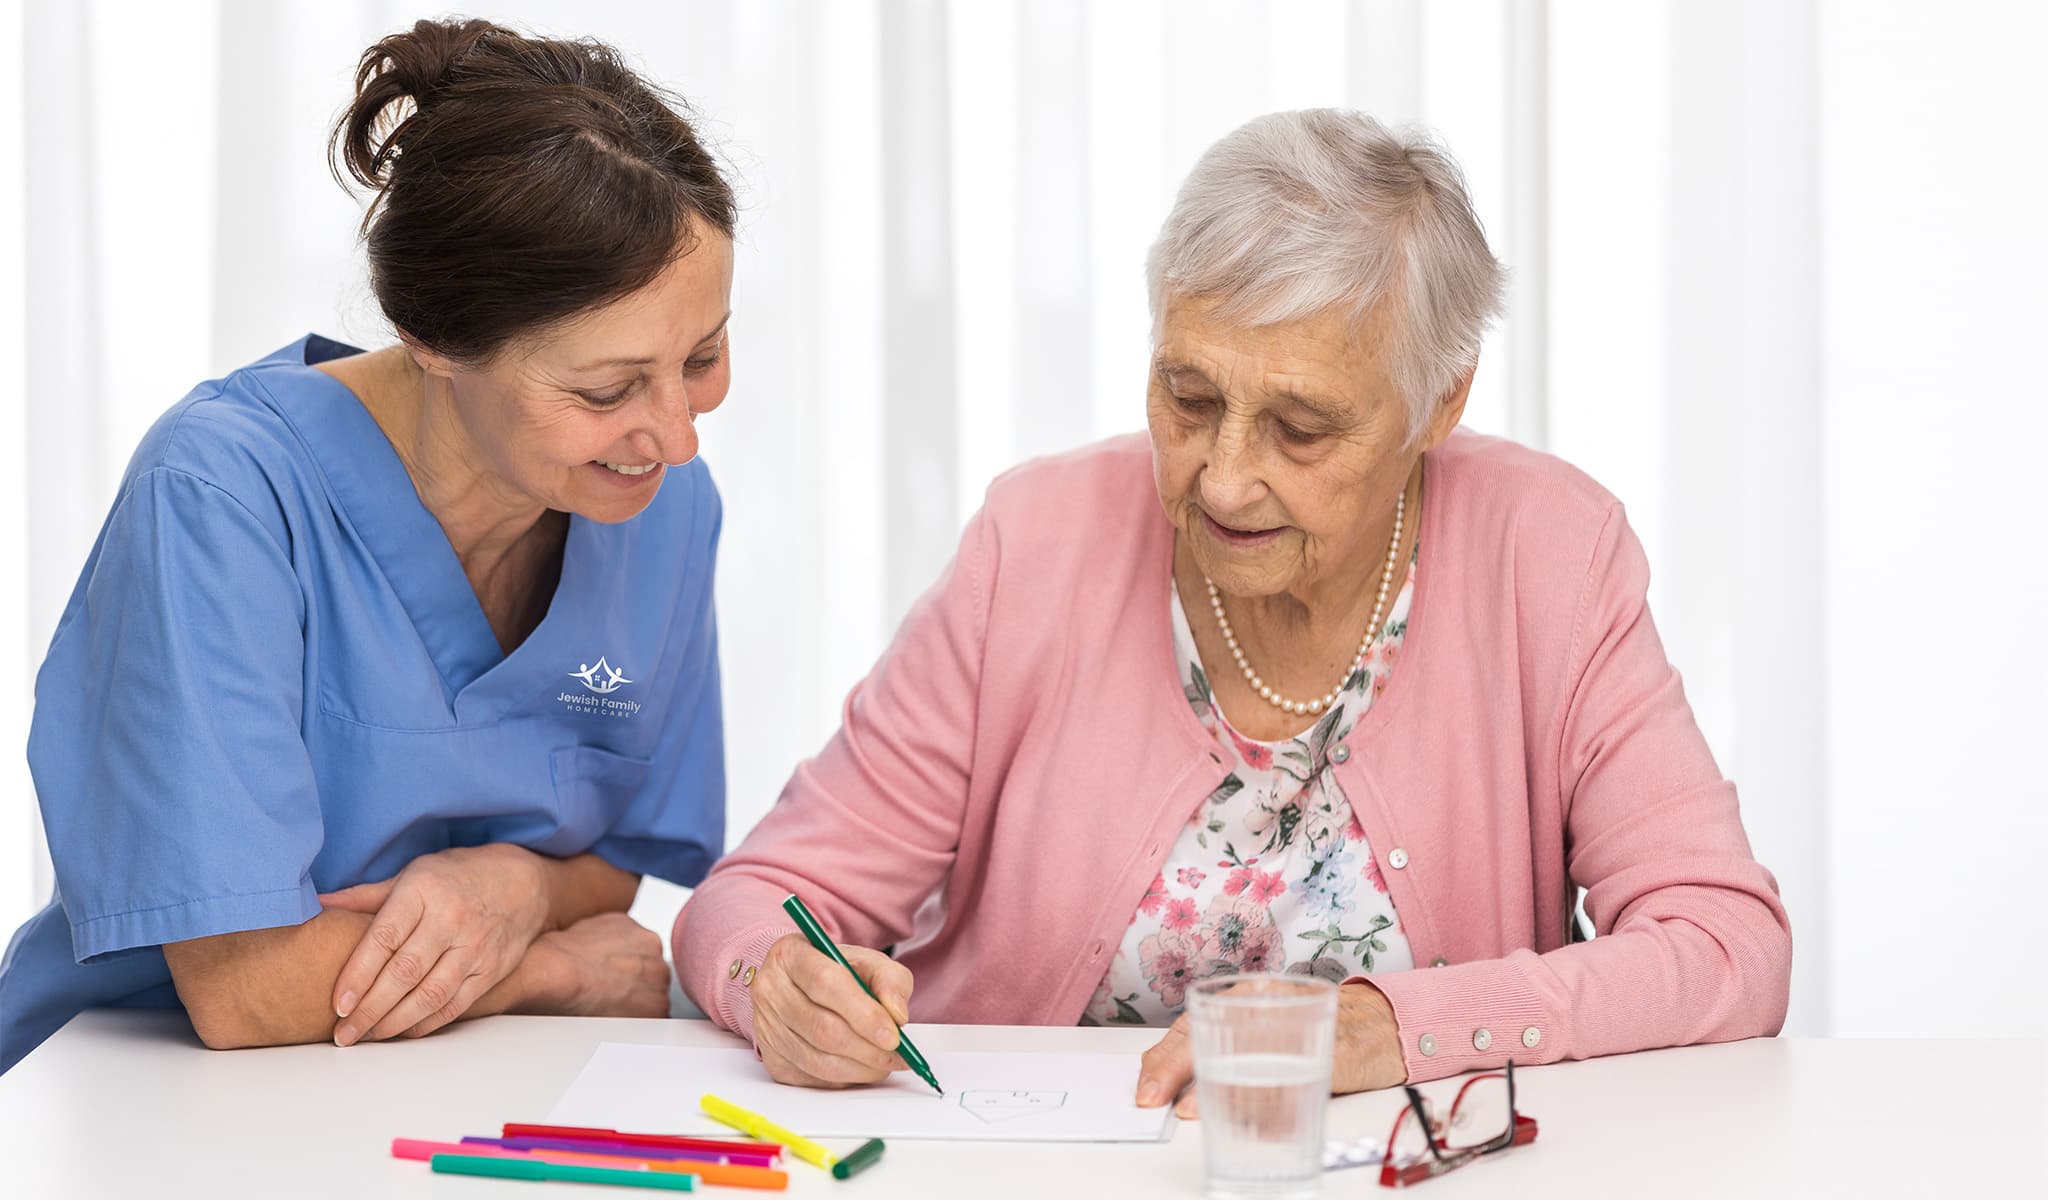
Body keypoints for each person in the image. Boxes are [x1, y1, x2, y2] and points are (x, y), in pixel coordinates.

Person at [674, 110, 1792, 1111]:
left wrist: (1379, 1031)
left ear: (1436, 400)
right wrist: (772, 984)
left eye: (1299, 429)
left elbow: (1725, 946)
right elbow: (760, 898)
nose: (1220, 477)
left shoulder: (1548, 552)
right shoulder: (1038, 540)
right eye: (1188, 397)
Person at [0, 17, 736, 1073]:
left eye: (703, 356)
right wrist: (547, 970)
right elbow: (245, 987)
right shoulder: (223, 496)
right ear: (430, 338)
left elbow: (607, 857)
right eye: (607, 388)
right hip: (149, 1101)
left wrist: (513, 887)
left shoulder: (659, 504)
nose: (675, 434)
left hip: (443, 1093)